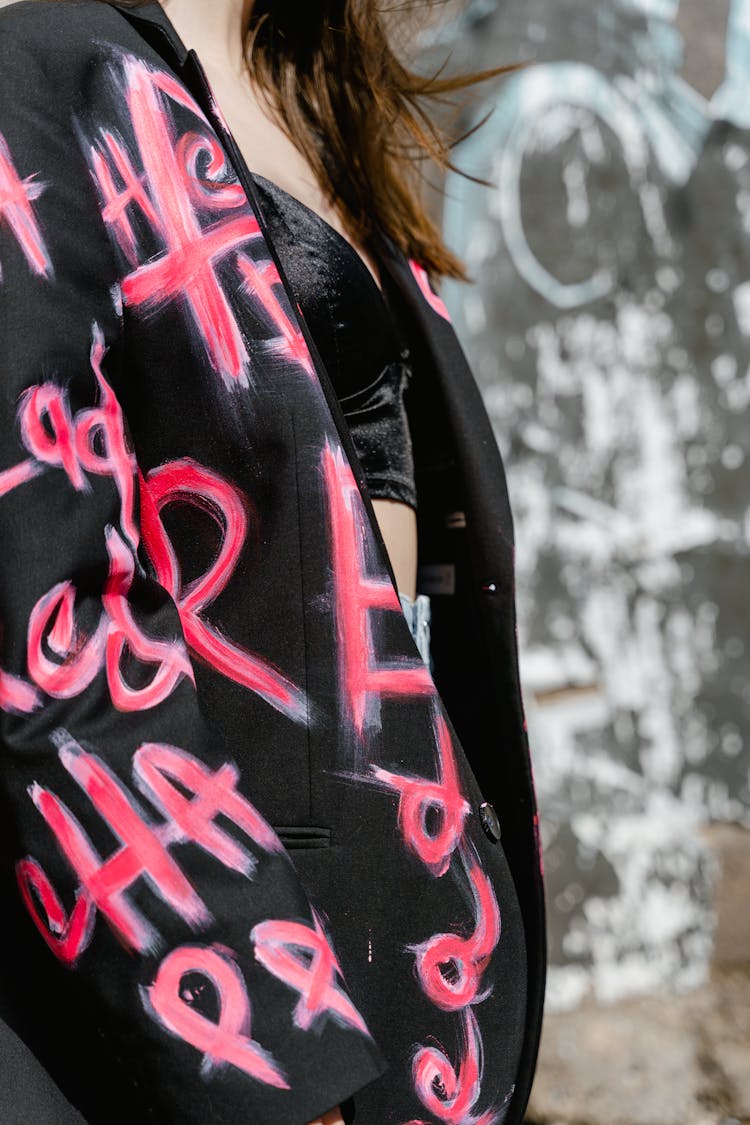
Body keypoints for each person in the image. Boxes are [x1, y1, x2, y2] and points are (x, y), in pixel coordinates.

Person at [0, 1, 545, 1123]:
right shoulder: (37, 55)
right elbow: (46, 637)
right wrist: (268, 1071)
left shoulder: (302, 70)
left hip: (406, 973)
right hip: (255, 1011)